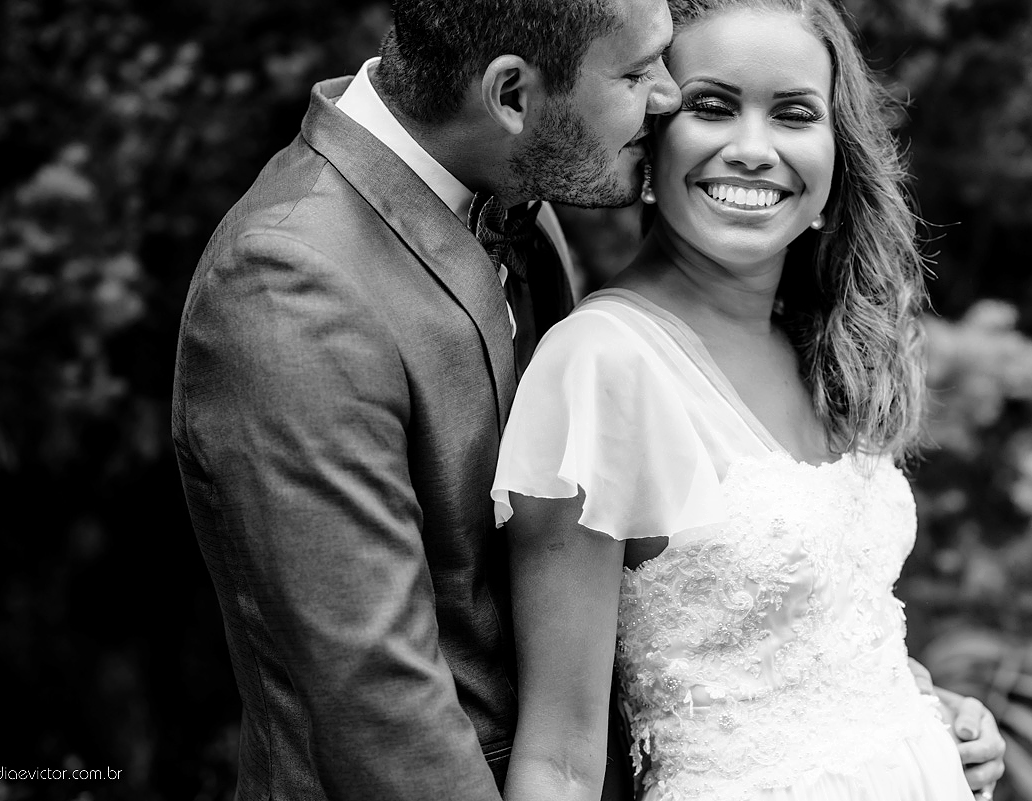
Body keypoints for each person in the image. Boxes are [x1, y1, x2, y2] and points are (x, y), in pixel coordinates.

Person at [492, 1, 1006, 800]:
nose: (753, 148)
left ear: (838, 158)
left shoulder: (818, 340)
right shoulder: (601, 368)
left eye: (794, 114)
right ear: (649, 136)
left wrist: (933, 711)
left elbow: (817, 641)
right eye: (712, 106)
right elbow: (559, 760)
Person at [170, 1, 681, 799]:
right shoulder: (287, 284)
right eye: (638, 72)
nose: (671, 96)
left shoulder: (517, 199)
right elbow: (377, 697)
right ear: (511, 95)